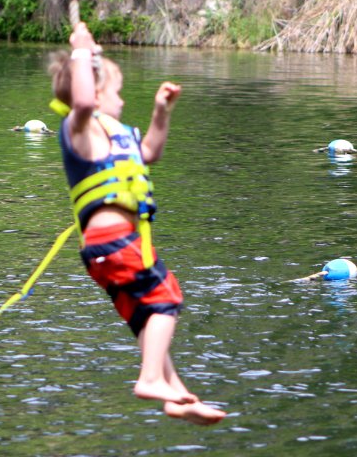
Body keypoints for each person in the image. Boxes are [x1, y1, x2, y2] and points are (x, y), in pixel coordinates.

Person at [48, 22, 226, 426]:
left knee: (147, 317)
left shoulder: (117, 136)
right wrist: (80, 50)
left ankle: (177, 395)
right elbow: (81, 103)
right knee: (167, 299)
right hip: (115, 242)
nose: (122, 99)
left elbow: (150, 151)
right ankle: (149, 379)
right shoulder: (81, 131)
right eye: (115, 91)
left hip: (109, 249)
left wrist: (161, 112)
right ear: (92, 93)